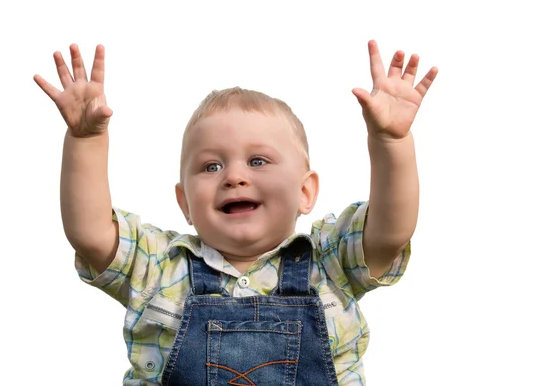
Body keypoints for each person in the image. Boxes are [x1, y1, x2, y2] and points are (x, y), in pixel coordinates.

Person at [34, 40, 437, 385]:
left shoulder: (330, 262)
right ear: (184, 203)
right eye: (211, 166)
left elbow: (390, 232)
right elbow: (89, 233)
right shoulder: (157, 265)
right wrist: (85, 140)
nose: (234, 176)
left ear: (305, 191)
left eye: (258, 161)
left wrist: (391, 142)